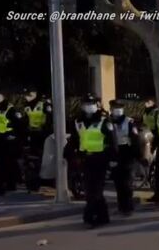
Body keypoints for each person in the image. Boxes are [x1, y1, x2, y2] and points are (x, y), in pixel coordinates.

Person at [64, 95, 118, 228]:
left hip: (100, 158)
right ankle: (103, 216)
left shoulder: (104, 121)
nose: (89, 106)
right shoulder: (78, 121)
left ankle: (91, 217)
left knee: (96, 190)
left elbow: (112, 141)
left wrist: (113, 158)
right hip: (86, 159)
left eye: (91, 103)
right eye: (86, 103)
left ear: (96, 105)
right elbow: (74, 140)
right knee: (90, 188)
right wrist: (67, 154)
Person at [109, 100, 140, 215]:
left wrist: (137, 155)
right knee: (118, 182)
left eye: (119, 107)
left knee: (127, 183)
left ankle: (128, 207)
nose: (117, 109)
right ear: (111, 109)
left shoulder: (129, 122)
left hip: (127, 153)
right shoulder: (107, 121)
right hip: (114, 154)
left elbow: (135, 139)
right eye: (115, 107)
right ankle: (121, 206)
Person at [0, 90, 26, 194]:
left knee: (8, 163)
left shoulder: (10, 109)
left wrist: (15, 137)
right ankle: (0, 185)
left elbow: (19, 125)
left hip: (9, 141)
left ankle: (10, 184)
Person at [22, 87, 52, 191]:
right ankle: (34, 180)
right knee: (33, 157)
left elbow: (50, 118)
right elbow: (25, 120)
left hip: (44, 134)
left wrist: (44, 128)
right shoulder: (26, 106)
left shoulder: (44, 104)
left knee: (45, 156)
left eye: (29, 94)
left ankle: (48, 179)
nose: (27, 97)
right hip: (32, 134)